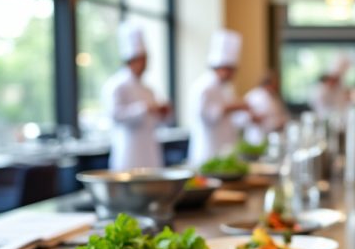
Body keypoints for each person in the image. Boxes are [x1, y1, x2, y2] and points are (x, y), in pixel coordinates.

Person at [104, 22, 171, 170]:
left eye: (146, 59)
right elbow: (115, 115)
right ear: (131, 60)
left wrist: (163, 113)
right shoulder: (116, 85)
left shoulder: (148, 88)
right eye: (142, 59)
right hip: (128, 149)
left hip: (150, 148)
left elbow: (157, 122)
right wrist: (145, 108)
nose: (145, 63)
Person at [186, 29, 252, 166]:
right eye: (233, 70)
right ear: (224, 68)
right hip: (208, 151)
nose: (234, 75)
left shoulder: (226, 88)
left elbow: (233, 121)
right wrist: (232, 107)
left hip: (225, 151)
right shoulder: (204, 86)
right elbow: (205, 116)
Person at [242, 70, 289, 145]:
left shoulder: (274, 97)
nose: (277, 86)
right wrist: (253, 118)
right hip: (256, 138)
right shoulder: (253, 96)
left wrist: (282, 121)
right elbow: (243, 117)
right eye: (275, 83)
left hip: (273, 136)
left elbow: (281, 114)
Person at [308, 55, 350, 130]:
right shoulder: (320, 90)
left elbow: (343, 105)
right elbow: (319, 107)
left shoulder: (341, 88)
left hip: (341, 123)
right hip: (324, 122)